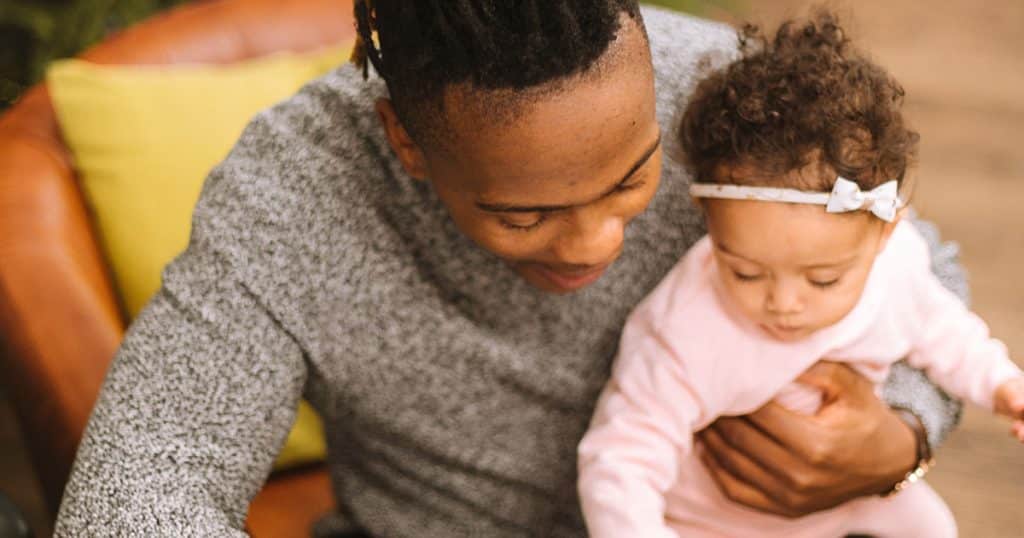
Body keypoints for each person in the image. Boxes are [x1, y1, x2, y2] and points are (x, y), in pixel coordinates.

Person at [56, 2, 964, 536]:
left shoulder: (732, 103)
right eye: (522, 213)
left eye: (635, 176)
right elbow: (137, 494)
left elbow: (922, 273)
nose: (595, 245)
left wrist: (900, 441)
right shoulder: (290, 192)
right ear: (404, 141)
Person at [577, 12, 1024, 538]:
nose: (784, 303)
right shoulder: (683, 325)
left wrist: (1002, 386)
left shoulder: (897, 266)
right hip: (709, 520)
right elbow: (621, 460)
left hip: (850, 500)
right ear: (711, 229)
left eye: (823, 280)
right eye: (744, 272)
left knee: (932, 525)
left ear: (884, 234)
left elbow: (945, 332)